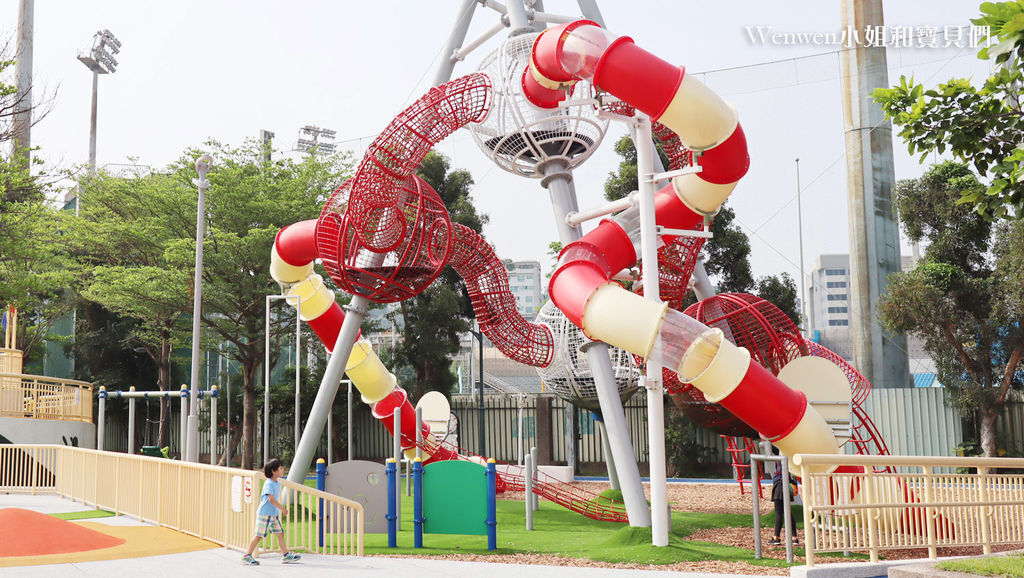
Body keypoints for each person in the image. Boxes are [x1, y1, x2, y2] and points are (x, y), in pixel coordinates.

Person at [242, 458, 302, 565]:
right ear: (274, 471)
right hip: (264, 514)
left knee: (280, 533)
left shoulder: (277, 483)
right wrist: (282, 508)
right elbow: (271, 499)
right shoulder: (268, 483)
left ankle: (286, 555)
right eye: (280, 468)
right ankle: (247, 555)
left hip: (273, 515)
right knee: (259, 536)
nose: (283, 470)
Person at [769, 459, 798, 546]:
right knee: (787, 512)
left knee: (779, 512)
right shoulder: (790, 455)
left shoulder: (782, 453)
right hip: (787, 484)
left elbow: (774, 449)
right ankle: (794, 537)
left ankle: (776, 537)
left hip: (780, 484)